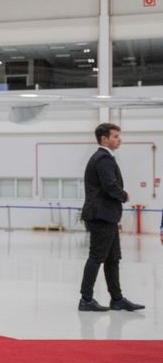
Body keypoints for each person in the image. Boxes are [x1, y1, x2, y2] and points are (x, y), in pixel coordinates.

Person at [78, 123, 143, 312]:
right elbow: (110, 185)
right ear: (104, 139)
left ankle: (117, 299)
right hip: (101, 215)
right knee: (96, 257)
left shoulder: (105, 157)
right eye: (115, 136)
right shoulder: (103, 158)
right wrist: (124, 195)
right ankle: (86, 299)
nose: (119, 139)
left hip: (108, 216)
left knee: (113, 258)